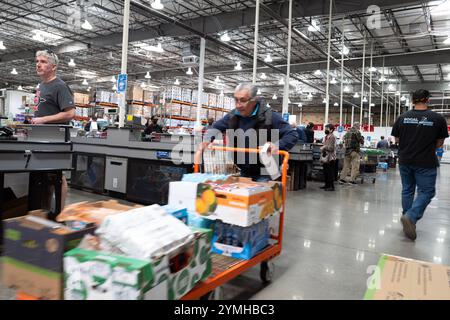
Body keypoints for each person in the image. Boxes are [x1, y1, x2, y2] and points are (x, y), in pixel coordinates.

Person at [206, 83, 298, 180]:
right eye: (236, 99)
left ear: (254, 101)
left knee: (262, 195)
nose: (238, 104)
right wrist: (207, 139)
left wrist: (277, 145)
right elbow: (215, 127)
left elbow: (292, 134)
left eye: (243, 100)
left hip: (267, 171)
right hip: (245, 170)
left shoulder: (270, 116)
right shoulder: (234, 116)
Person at [391, 89, 448, 241]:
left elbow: (396, 139)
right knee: (427, 192)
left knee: (407, 190)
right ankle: (411, 216)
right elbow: (440, 143)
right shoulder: (438, 118)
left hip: (405, 160)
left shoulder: (402, 117)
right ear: (428, 100)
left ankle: (407, 217)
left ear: (412, 101)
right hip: (425, 161)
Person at [32, 50, 75, 211]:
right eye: (37, 61)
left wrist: (43, 120)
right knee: (45, 177)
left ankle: (60, 214)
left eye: (43, 61)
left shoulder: (60, 86)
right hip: (42, 138)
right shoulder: (41, 85)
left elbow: (70, 113)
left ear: (53, 66)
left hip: (56, 140)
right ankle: (45, 212)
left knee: (57, 176)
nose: (38, 64)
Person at [320, 124, 337, 191]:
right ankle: (327, 185)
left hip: (331, 157)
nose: (325, 129)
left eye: (327, 128)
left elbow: (331, 148)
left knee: (330, 172)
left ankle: (331, 187)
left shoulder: (332, 137)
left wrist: (324, 147)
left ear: (331, 130)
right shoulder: (326, 137)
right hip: (326, 156)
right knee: (325, 171)